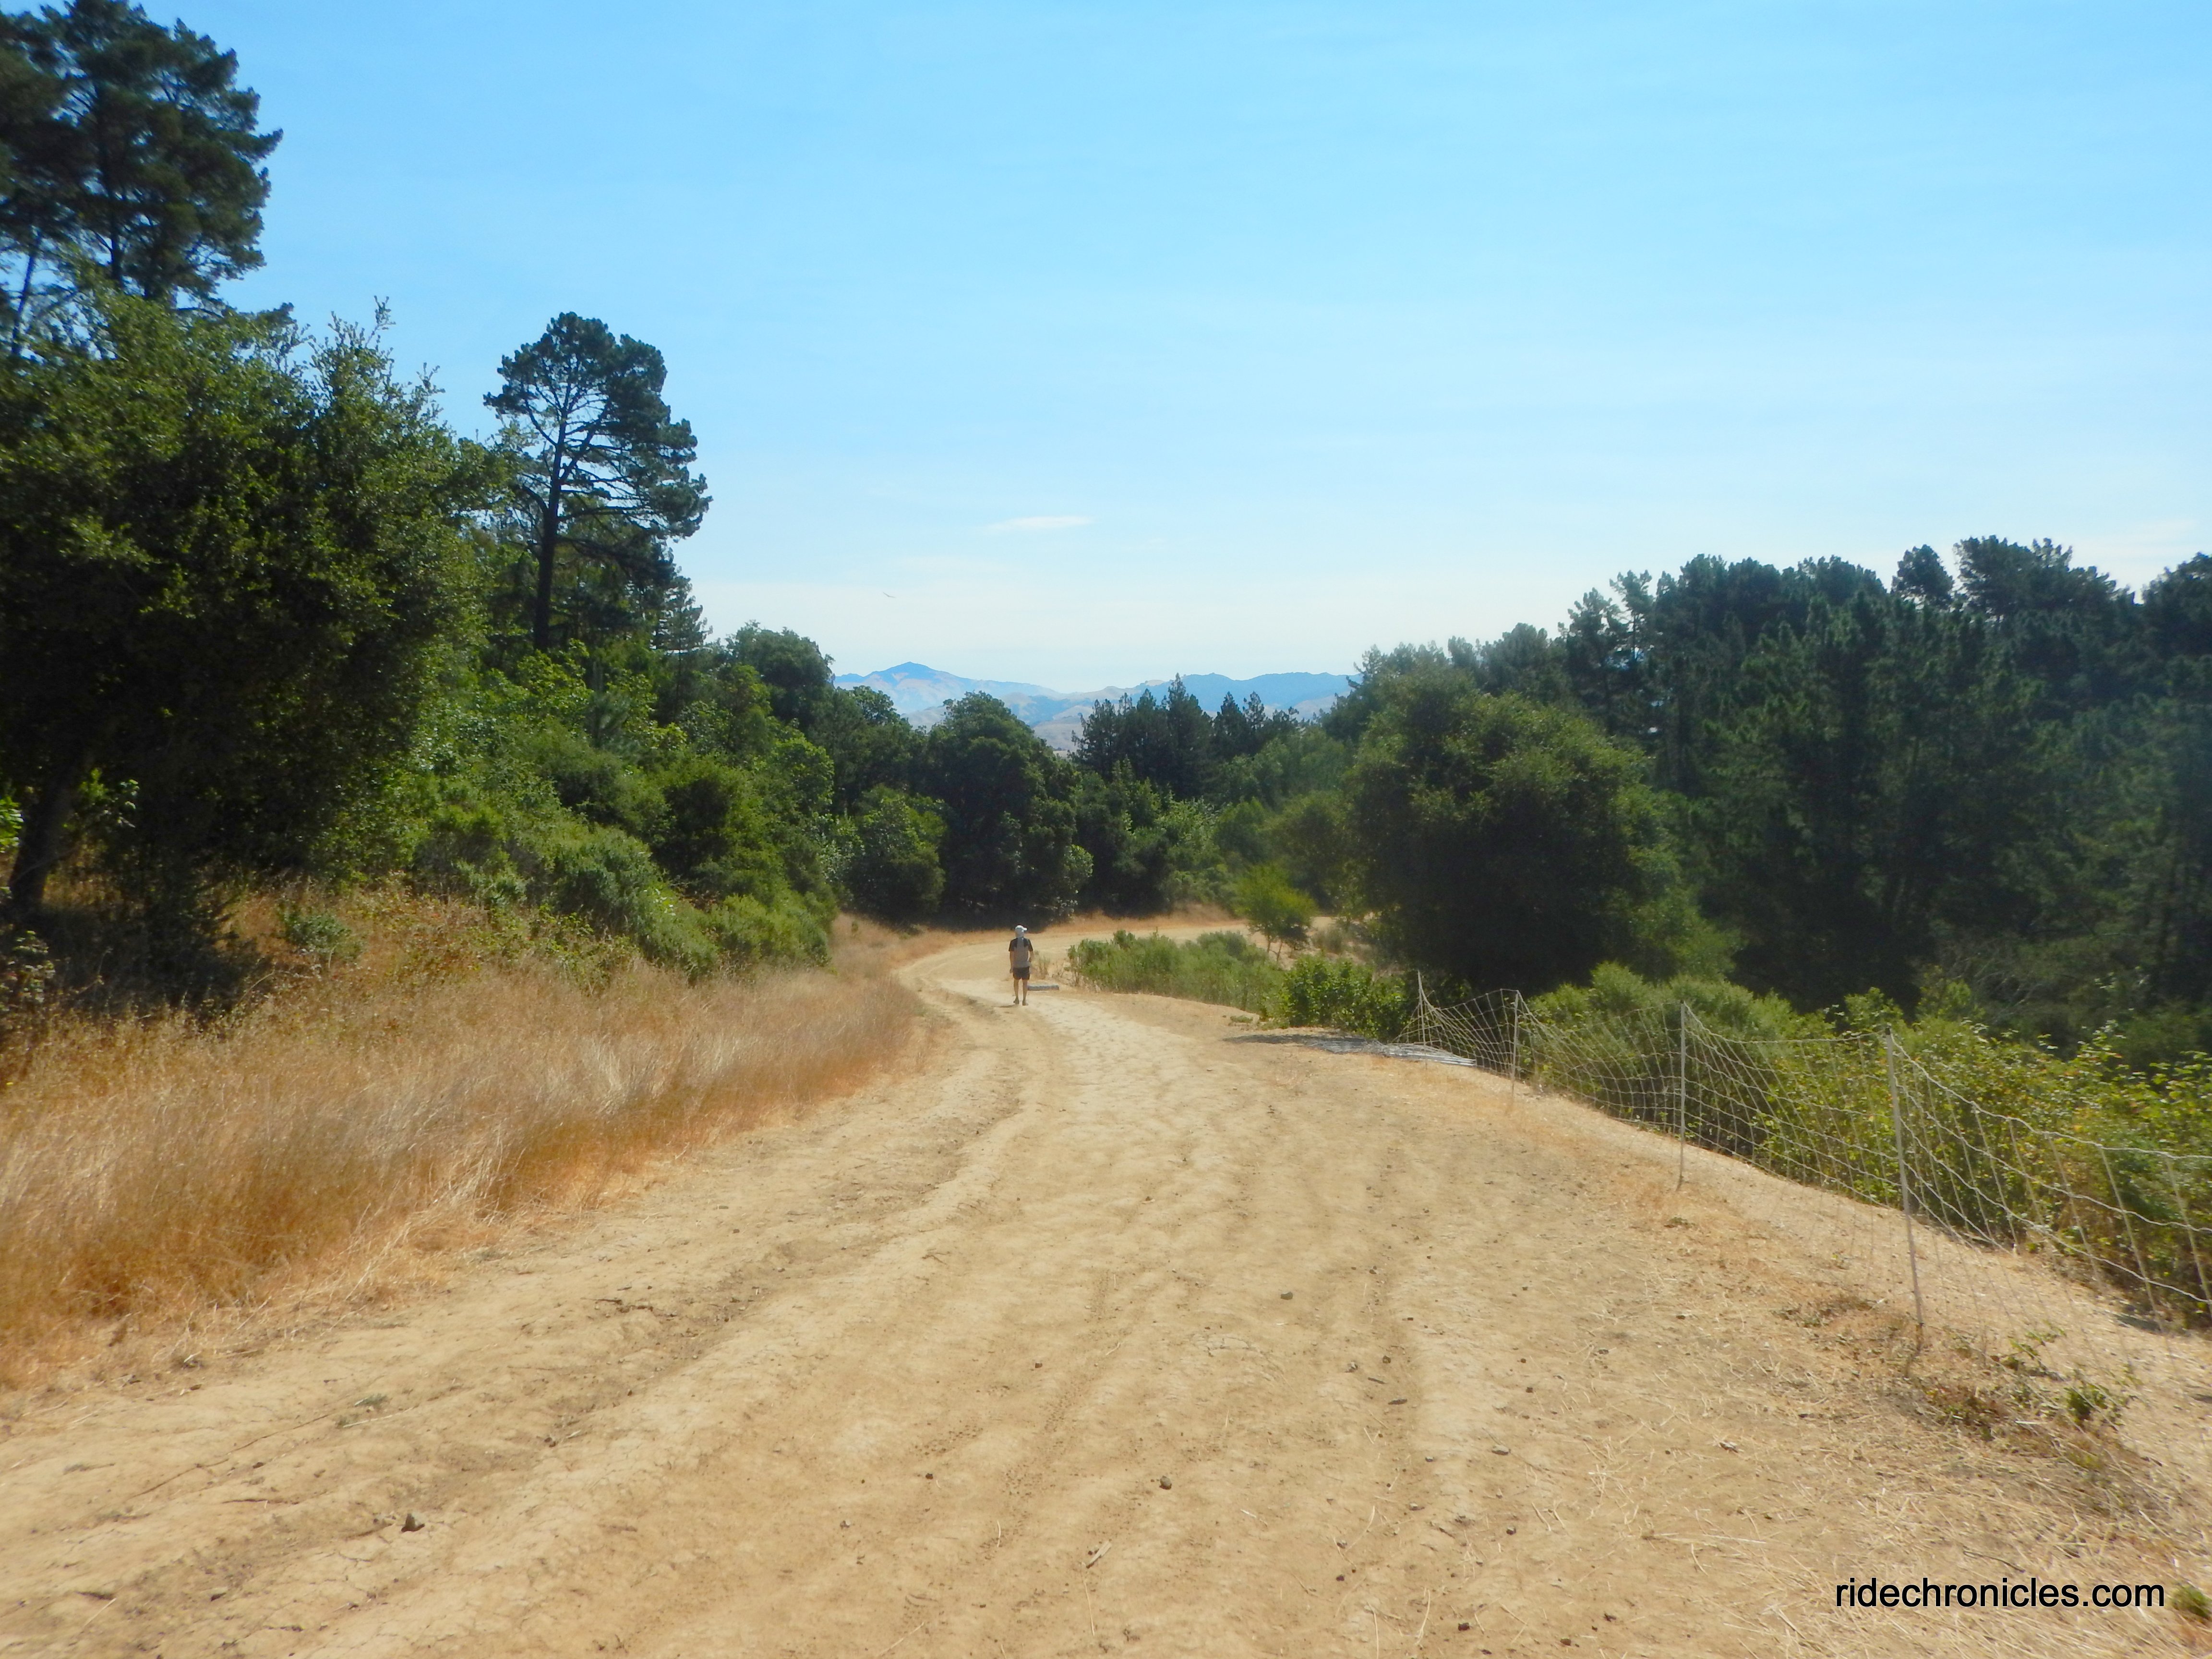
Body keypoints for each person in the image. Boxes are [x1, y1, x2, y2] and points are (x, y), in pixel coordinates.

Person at [1008, 925, 1036, 1005]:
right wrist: (1029, 962)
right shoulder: (1028, 941)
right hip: (1025, 965)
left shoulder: (1013, 943)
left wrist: (1012, 966)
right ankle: (1024, 1000)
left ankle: (1017, 998)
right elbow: (1032, 955)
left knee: (1016, 982)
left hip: (1017, 966)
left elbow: (1012, 956)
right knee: (1025, 983)